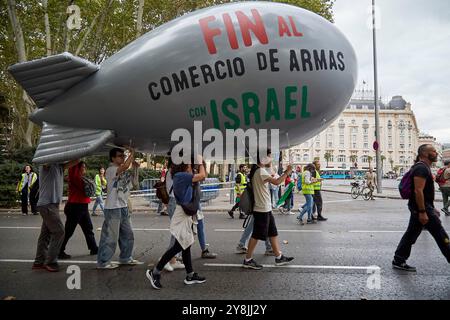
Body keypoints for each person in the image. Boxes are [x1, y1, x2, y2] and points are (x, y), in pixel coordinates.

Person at [146, 154, 207, 289]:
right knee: (178, 246)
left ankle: (190, 275)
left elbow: (203, 175)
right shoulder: (181, 176)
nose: (192, 166)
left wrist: (200, 163)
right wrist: (201, 161)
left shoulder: (183, 175)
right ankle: (155, 272)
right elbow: (202, 176)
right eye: (190, 164)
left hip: (185, 214)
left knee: (186, 244)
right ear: (185, 165)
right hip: (181, 214)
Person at [393, 144, 450, 271]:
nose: (436, 153)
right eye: (433, 151)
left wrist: (431, 207)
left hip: (421, 207)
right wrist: (423, 211)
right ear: (425, 154)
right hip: (421, 208)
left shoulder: (423, 167)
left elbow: (423, 192)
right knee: (440, 234)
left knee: (411, 234)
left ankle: (399, 259)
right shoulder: (421, 169)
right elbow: (418, 191)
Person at [242, 149, 294, 270]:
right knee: (256, 235)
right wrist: (287, 172)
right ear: (262, 158)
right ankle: (248, 259)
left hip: (265, 208)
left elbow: (271, 174)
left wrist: (270, 164)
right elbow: (276, 182)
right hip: (262, 209)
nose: (271, 158)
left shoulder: (259, 171)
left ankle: (278, 257)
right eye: (269, 156)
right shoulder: (260, 171)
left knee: (272, 232)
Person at [97, 147, 142, 269]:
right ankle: (103, 261)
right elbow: (125, 167)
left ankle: (126, 257)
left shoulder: (121, 169)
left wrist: (135, 167)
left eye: (123, 155)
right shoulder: (111, 170)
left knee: (127, 234)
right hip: (113, 208)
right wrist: (132, 153)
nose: (122, 157)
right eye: (120, 156)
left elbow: (133, 182)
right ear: (113, 158)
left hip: (123, 206)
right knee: (111, 236)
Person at [32, 160, 79, 272]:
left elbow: (76, 160)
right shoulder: (46, 164)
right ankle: (51, 261)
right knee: (59, 231)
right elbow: (47, 161)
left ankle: (39, 262)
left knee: (46, 233)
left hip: (52, 204)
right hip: (47, 204)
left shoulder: (59, 166)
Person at [59, 161, 98, 259]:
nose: (84, 169)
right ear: (77, 168)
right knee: (69, 231)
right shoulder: (74, 176)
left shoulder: (81, 178)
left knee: (88, 228)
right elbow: (74, 163)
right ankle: (59, 250)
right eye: (82, 167)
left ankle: (94, 248)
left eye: (85, 167)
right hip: (75, 207)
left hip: (82, 206)